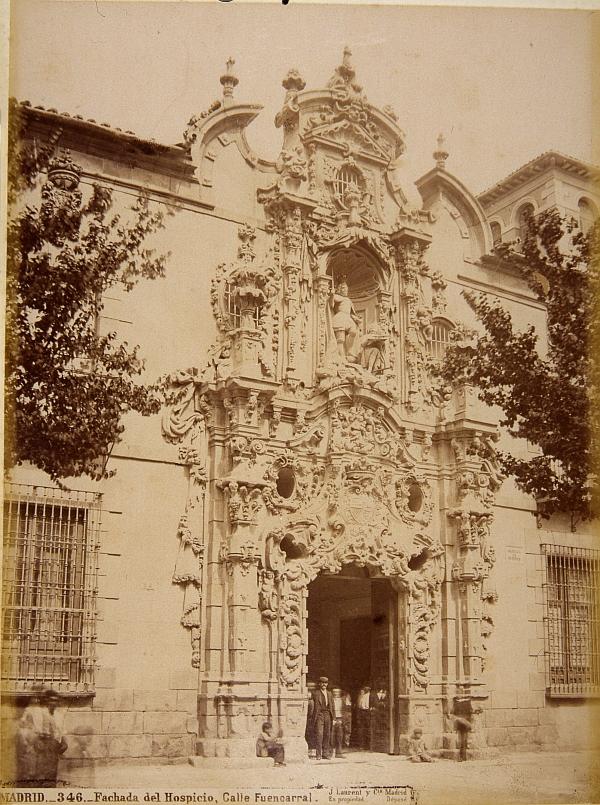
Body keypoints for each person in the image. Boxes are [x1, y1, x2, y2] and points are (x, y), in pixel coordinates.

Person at [16, 688, 68, 786]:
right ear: (45, 701)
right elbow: (25, 729)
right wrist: (35, 740)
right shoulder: (35, 713)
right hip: (37, 750)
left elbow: (62, 733)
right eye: (51, 700)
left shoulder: (59, 716)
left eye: (56, 700)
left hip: (53, 751)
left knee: (51, 779)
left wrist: (64, 743)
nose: (53, 703)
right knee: (37, 778)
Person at [330, 280, 361, 360]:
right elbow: (331, 303)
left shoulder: (348, 300)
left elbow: (351, 313)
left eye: (346, 288)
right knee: (340, 339)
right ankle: (342, 357)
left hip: (348, 318)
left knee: (353, 332)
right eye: (344, 288)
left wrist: (356, 318)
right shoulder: (338, 297)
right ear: (340, 289)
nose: (346, 290)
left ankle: (350, 352)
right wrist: (332, 294)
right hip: (340, 317)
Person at [310, 676, 335, 760]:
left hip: (328, 715)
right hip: (319, 715)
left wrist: (334, 718)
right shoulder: (315, 693)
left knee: (327, 735)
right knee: (319, 734)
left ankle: (325, 753)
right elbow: (311, 705)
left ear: (327, 684)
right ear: (319, 683)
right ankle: (318, 754)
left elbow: (332, 706)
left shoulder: (329, 694)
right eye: (322, 683)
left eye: (326, 683)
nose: (324, 684)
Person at [356, 683, 375, 750]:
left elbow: (374, 705)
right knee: (361, 729)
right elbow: (358, 705)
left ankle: (369, 745)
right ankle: (362, 745)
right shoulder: (361, 695)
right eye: (365, 687)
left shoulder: (372, 695)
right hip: (361, 712)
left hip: (368, 713)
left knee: (368, 729)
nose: (366, 688)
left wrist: (371, 710)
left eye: (367, 687)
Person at [331, 687, 346, 758]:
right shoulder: (330, 700)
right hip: (332, 719)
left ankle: (339, 753)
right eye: (334, 692)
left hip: (340, 719)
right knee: (331, 736)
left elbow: (345, 710)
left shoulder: (343, 700)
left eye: (337, 692)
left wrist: (342, 719)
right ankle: (330, 752)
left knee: (339, 736)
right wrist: (332, 719)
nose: (336, 693)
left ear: (340, 693)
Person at [305, 681, 316, 758]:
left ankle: (312, 749)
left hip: (312, 718)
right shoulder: (309, 698)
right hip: (308, 718)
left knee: (312, 733)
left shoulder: (314, 696)